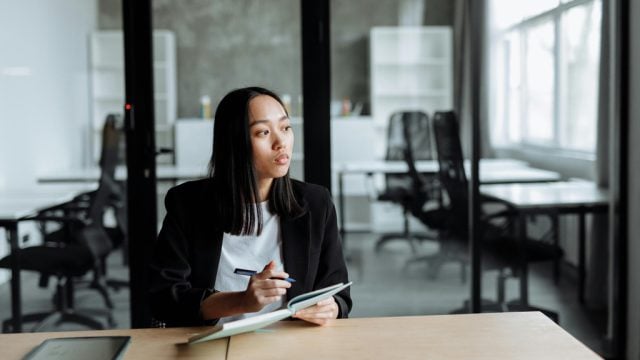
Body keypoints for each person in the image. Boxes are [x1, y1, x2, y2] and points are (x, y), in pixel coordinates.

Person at [149, 86, 352, 327]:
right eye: (263, 132)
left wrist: (331, 307)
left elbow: (339, 293)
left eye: (286, 128)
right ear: (234, 143)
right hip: (209, 346)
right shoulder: (188, 204)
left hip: (292, 344)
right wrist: (242, 301)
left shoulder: (316, 203)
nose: (281, 142)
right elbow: (164, 299)